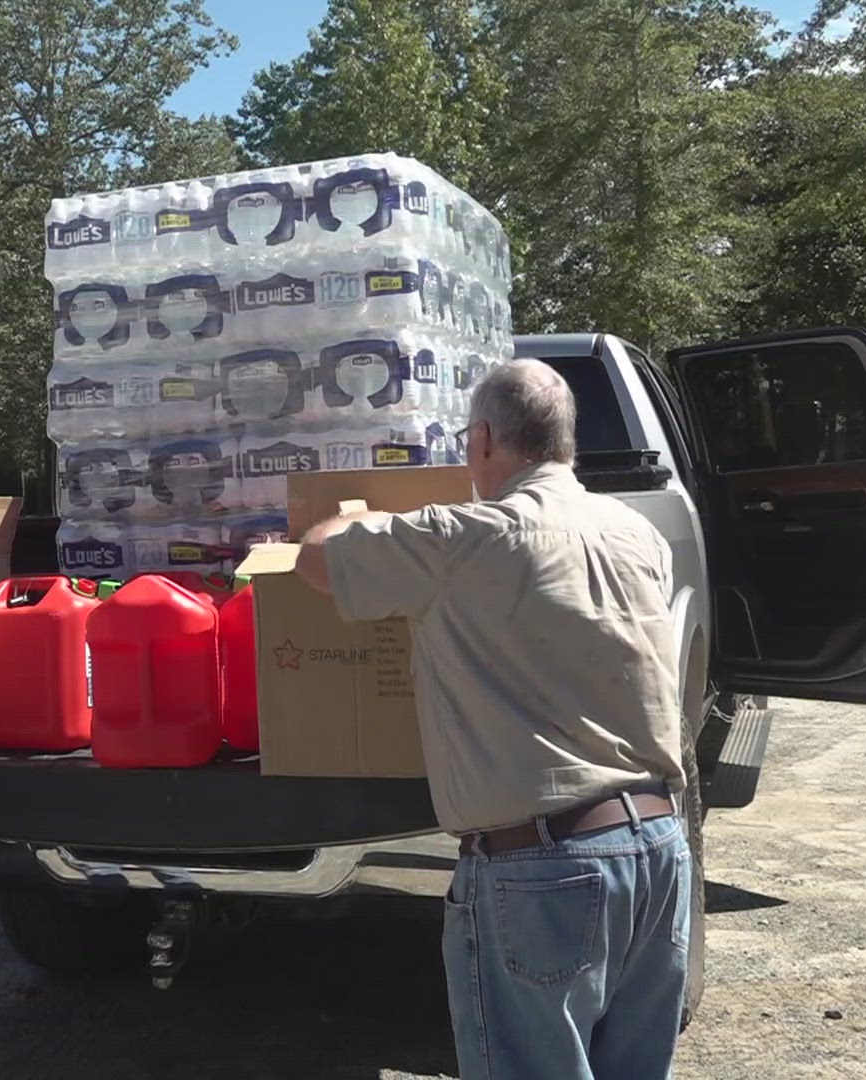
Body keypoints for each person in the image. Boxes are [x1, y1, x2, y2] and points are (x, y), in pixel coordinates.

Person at [295, 360, 691, 1079]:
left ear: (481, 439)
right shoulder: (641, 537)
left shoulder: (461, 539)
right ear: (568, 442)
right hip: (661, 848)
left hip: (542, 868)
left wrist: (363, 516)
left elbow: (315, 559)